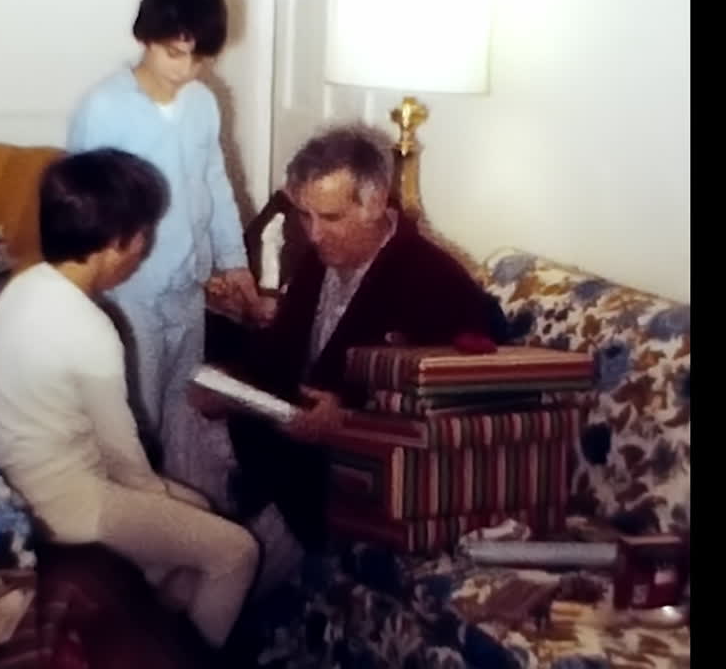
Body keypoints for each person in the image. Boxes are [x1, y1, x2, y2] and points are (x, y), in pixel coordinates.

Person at [194, 123, 508, 591]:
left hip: (352, 464)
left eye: (331, 217)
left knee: (220, 567)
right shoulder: (324, 256)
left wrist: (352, 421)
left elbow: (463, 401)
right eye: (305, 216)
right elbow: (284, 349)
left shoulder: (433, 280)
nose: (315, 235)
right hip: (289, 435)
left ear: (378, 200)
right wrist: (233, 383)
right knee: (191, 420)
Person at [0, 148, 259, 650]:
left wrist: (176, 506)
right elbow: (123, 456)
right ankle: (187, 661)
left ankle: (149, 637)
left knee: (194, 510)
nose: (142, 250)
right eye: (143, 236)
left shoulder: (20, 288)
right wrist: (160, 500)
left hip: (14, 483)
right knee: (236, 551)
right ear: (115, 243)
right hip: (67, 505)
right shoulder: (91, 329)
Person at [65, 0, 267, 492]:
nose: (185, 69)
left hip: (187, 290)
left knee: (183, 414)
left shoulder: (203, 103)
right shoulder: (104, 107)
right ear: (145, 38)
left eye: (199, 58)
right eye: (173, 54)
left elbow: (215, 183)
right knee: (137, 418)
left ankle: (183, 512)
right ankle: (133, 521)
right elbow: (82, 209)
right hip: (129, 294)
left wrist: (234, 261)